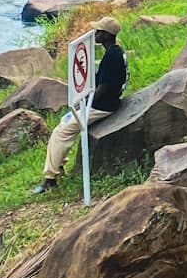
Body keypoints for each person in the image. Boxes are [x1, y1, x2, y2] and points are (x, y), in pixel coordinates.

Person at [34, 18, 128, 192]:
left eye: (99, 31)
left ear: (106, 35)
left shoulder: (112, 56)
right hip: (105, 102)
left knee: (62, 132)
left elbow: (105, 87)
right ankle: (58, 166)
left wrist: (85, 103)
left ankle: (50, 178)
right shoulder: (116, 52)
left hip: (103, 106)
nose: (95, 34)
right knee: (63, 123)